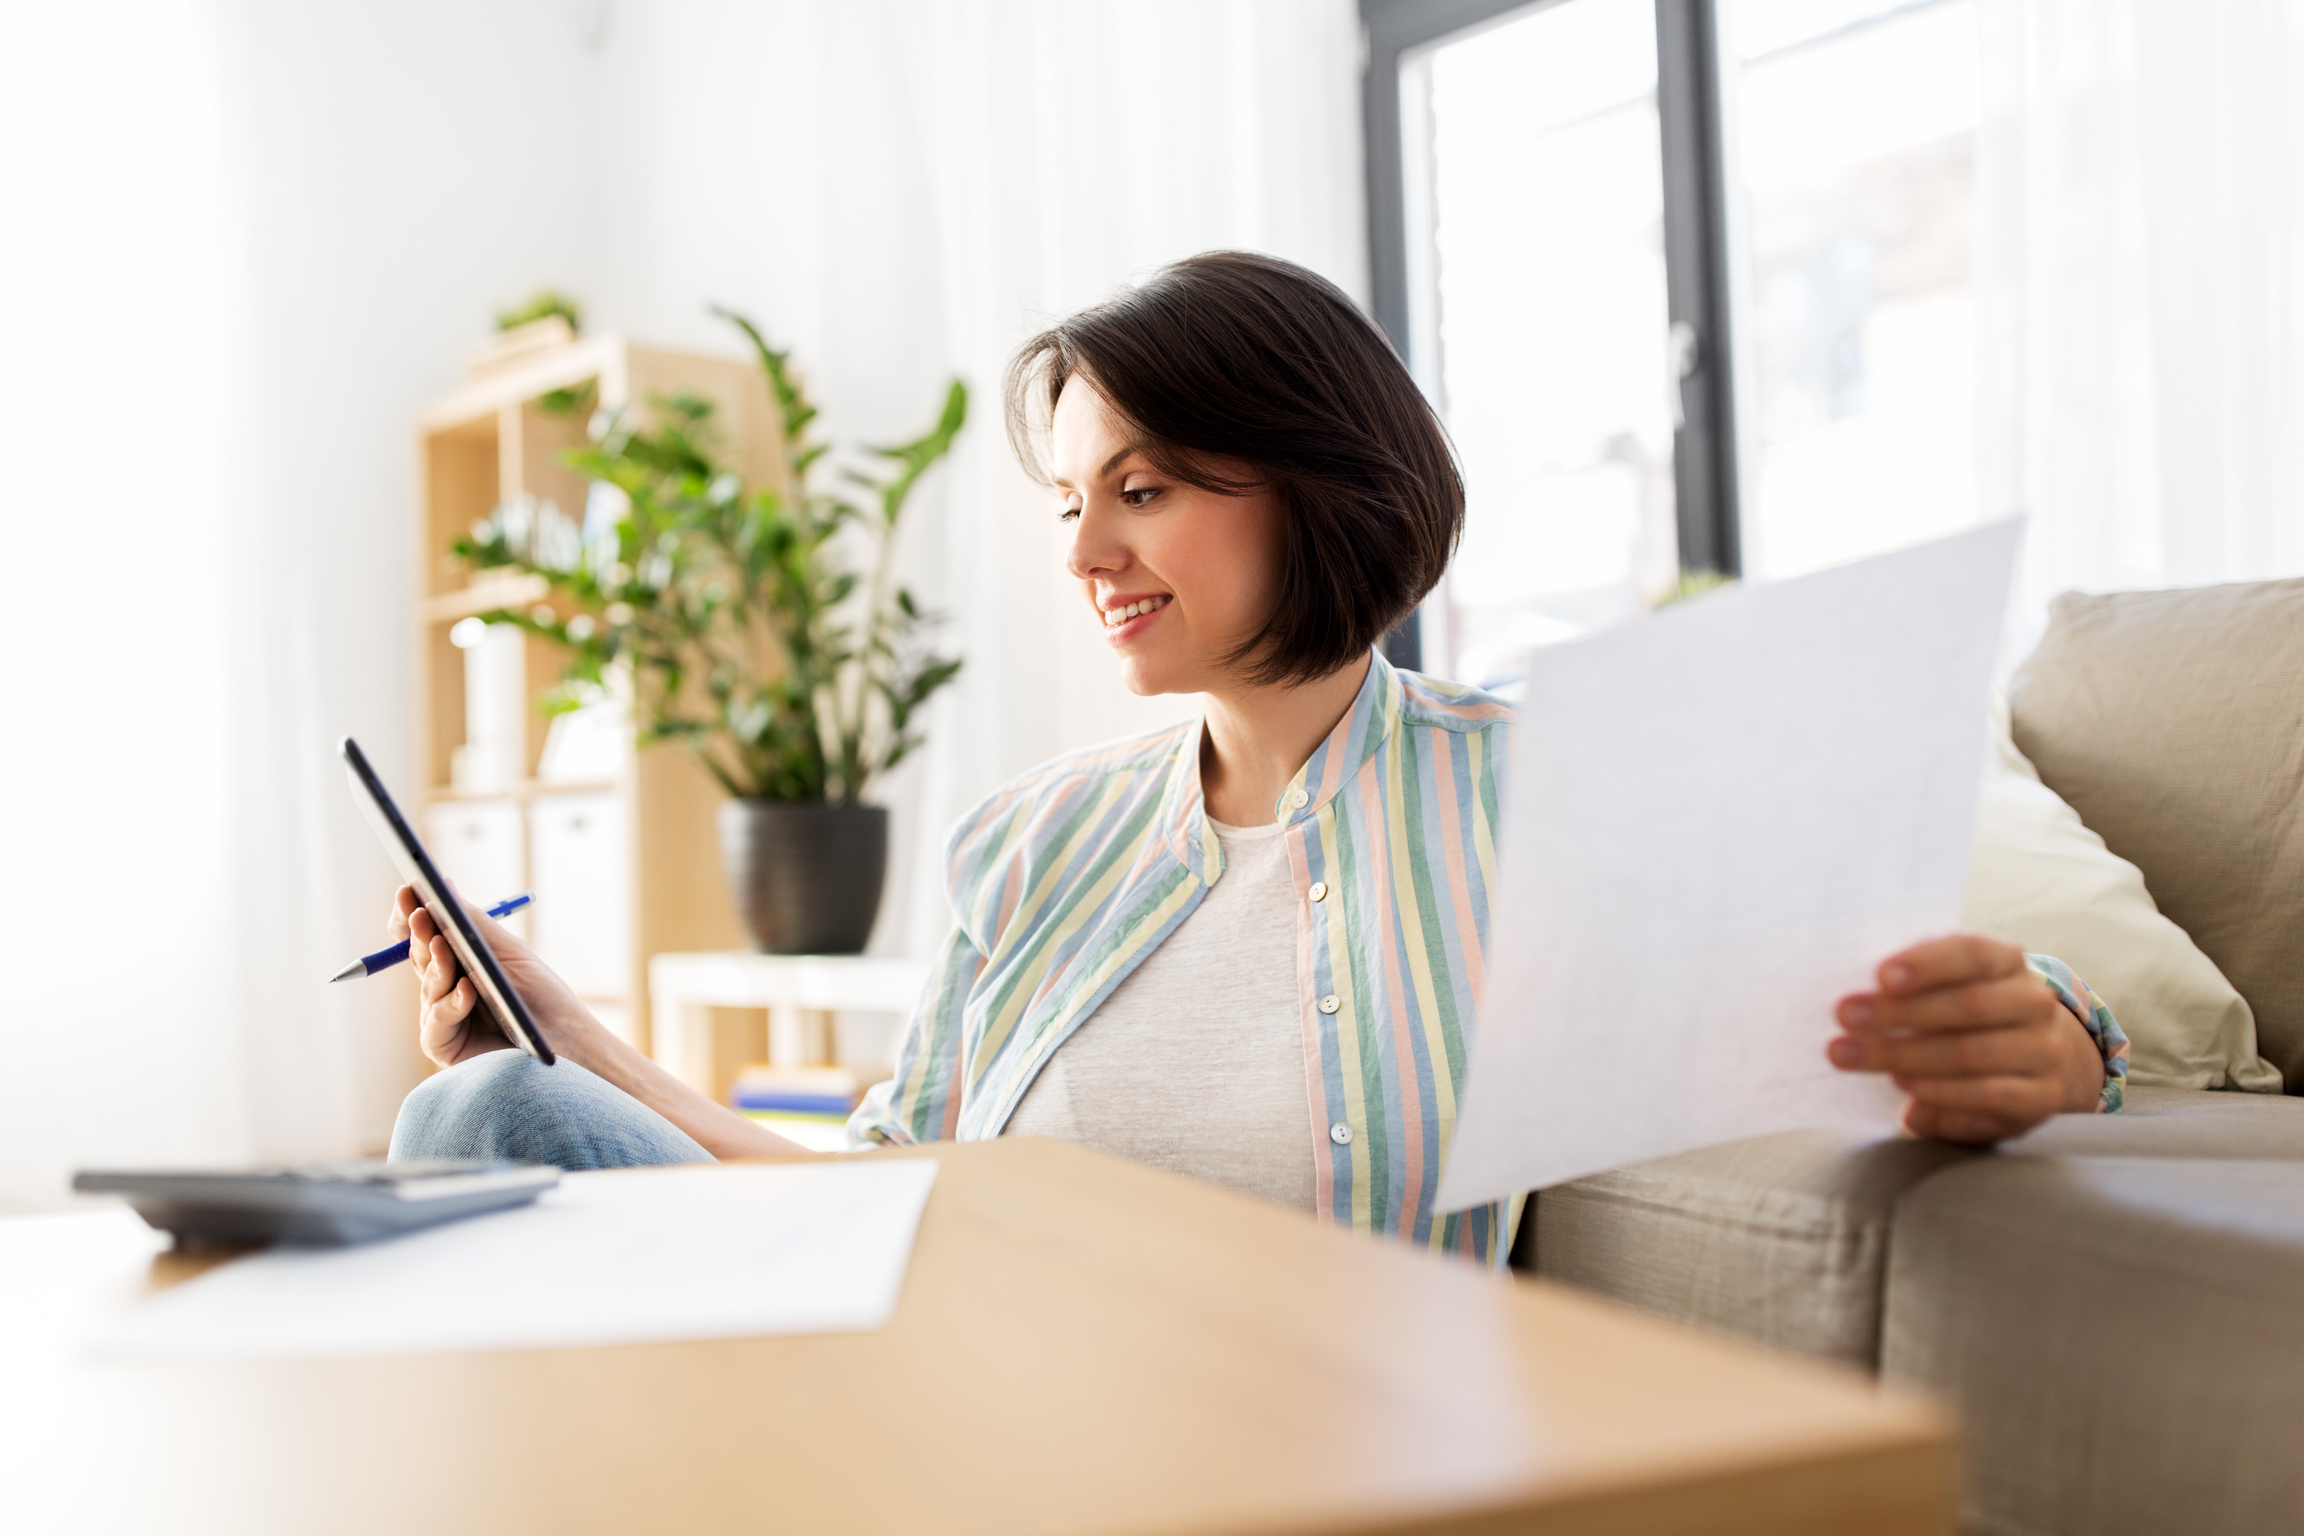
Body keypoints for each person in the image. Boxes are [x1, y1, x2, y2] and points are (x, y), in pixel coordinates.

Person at [390, 251, 2128, 1267]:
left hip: (1272, 1457)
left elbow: (1895, 979)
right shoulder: (1028, 843)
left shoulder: (1532, 791)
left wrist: (2041, 1033)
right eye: (1071, 503)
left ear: (1321, 476)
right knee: (492, 1105)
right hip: (965, 1395)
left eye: (1143, 488)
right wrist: (576, 1034)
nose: (1086, 555)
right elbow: (870, 1204)